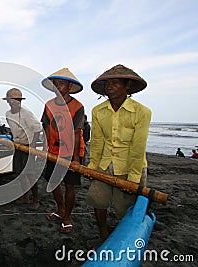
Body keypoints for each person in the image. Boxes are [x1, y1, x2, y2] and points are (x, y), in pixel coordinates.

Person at [85, 64, 152, 247]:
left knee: (126, 209)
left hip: (131, 165)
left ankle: (123, 239)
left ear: (128, 85)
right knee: (98, 200)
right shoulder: (98, 111)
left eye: (115, 83)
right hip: (105, 163)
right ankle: (103, 233)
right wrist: (92, 167)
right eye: (107, 84)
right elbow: (97, 141)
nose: (110, 87)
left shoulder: (142, 112)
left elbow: (138, 147)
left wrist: (132, 179)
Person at [41, 67, 85, 233]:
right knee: (53, 183)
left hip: (70, 152)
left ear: (69, 87)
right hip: (53, 151)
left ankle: (67, 217)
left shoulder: (77, 107)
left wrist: (75, 158)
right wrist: (45, 149)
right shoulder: (48, 105)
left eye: (62, 84)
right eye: (56, 84)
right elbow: (45, 127)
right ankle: (60, 210)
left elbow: (76, 132)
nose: (58, 87)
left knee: (70, 185)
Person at [3, 88, 42, 209]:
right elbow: (14, 130)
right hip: (18, 146)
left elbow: (38, 129)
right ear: (8, 101)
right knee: (21, 173)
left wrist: (33, 146)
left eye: (16, 100)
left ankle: (36, 199)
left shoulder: (26, 114)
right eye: (11, 100)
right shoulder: (8, 114)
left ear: (20, 101)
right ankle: (25, 197)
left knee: (30, 174)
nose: (13, 102)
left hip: (28, 146)